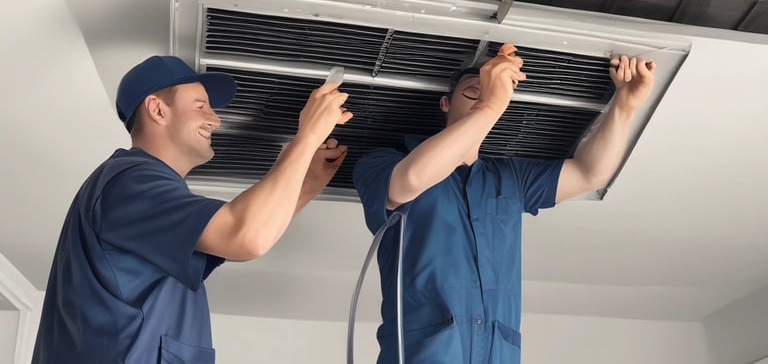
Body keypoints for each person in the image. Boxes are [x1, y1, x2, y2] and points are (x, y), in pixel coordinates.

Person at [32, 55, 353, 363]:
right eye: (201, 106)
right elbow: (245, 235)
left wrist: (305, 183)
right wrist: (307, 137)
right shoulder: (129, 182)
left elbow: (246, 233)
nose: (215, 119)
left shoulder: (138, 192)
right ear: (157, 109)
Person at [353, 43, 656, 364]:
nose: (485, 97)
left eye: (493, 93)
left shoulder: (509, 178)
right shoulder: (383, 161)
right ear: (445, 103)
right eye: (473, 92)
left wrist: (624, 106)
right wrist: (490, 106)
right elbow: (409, 181)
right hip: (423, 353)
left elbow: (589, 173)